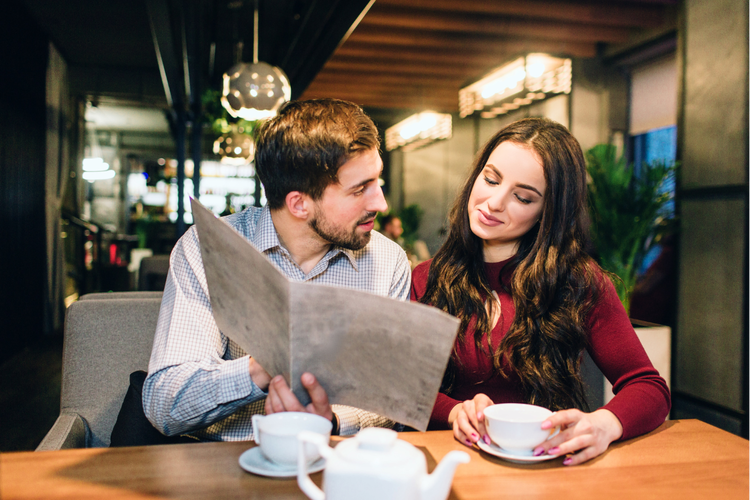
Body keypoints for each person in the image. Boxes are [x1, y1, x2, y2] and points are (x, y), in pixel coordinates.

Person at [143, 99, 411, 441]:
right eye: (360, 189)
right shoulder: (206, 248)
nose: (381, 203)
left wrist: (333, 419)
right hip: (226, 464)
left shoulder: (388, 261)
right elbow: (165, 403)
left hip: (340, 462)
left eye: (377, 182)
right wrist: (265, 367)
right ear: (299, 203)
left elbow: (393, 393)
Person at [410, 118, 670, 465]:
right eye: (490, 179)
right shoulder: (426, 278)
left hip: (549, 467)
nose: (494, 202)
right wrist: (455, 412)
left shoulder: (578, 282)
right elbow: (409, 389)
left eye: (522, 197)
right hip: (452, 466)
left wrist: (604, 424)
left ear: (547, 213)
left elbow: (648, 387)